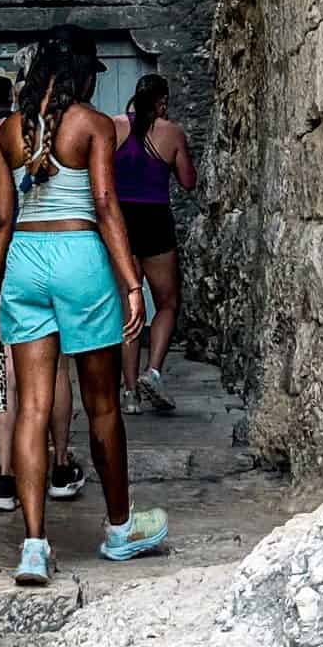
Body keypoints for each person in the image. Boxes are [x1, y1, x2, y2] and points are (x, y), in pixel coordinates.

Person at [0, 29, 169, 587]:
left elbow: (1, 221)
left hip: (24, 264)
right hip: (81, 259)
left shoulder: (8, 132)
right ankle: (118, 529)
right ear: (83, 74)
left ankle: (34, 547)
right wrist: (132, 282)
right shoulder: (93, 125)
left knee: (32, 407)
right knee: (102, 403)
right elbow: (107, 204)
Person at [0, 71, 85, 511]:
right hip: (47, 253)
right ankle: (61, 464)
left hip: (3, 258)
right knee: (53, 367)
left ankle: (4, 476)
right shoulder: (62, 127)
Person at [113, 73, 197, 415]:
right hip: (156, 222)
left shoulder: (114, 126)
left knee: (130, 311)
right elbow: (188, 182)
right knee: (167, 303)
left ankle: (130, 393)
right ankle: (154, 371)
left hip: (122, 224)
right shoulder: (172, 132)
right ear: (161, 101)